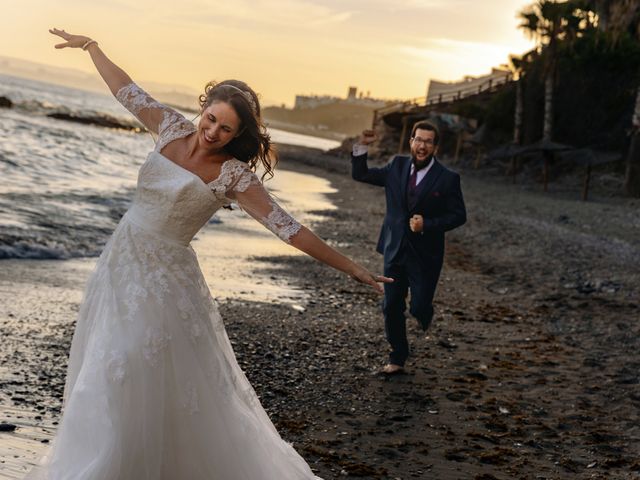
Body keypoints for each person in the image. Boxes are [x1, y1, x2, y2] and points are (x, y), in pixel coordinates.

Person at [27, 28, 392, 480]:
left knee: (130, 359)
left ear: (238, 135)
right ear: (202, 108)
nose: (214, 131)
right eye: (212, 118)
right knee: (105, 358)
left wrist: (352, 266)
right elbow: (125, 90)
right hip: (120, 258)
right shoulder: (168, 127)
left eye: (227, 128)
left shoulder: (235, 177)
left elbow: (290, 230)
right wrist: (92, 47)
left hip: (166, 278)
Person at [351, 121, 466, 374]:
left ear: (435, 147)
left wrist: (428, 224)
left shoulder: (448, 178)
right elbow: (362, 174)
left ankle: (424, 312)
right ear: (411, 141)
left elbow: (459, 216)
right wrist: (361, 147)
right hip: (395, 249)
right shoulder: (397, 165)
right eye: (418, 140)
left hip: (426, 256)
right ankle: (397, 358)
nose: (422, 145)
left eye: (428, 141)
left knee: (418, 307)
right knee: (391, 305)